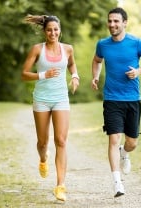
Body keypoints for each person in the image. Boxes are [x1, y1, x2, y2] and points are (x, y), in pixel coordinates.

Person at [91, 7, 141, 197]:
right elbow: (96, 60)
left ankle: (125, 153)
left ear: (125, 22)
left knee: (132, 142)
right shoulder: (102, 44)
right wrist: (95, 76)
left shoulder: (136, 43)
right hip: (112, 99)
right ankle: (117, 183)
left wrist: (138, 72)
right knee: (113, 139)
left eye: (116, 21)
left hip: (132, 99)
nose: (112, 24)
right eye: (110, 21)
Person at [21, 14, 80, 201]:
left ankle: (60, 186)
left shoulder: (68, 49)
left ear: (60, 30)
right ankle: (43, 159)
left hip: (61, 98)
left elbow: (71, 64)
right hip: (42, 99)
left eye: (55, 29)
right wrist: (43, 75)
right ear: (44, 31)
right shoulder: (37, 49)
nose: (52, 33)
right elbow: (24, 74)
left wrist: (75, 76)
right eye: (49, 30)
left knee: (61, 141)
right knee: (43, 143)